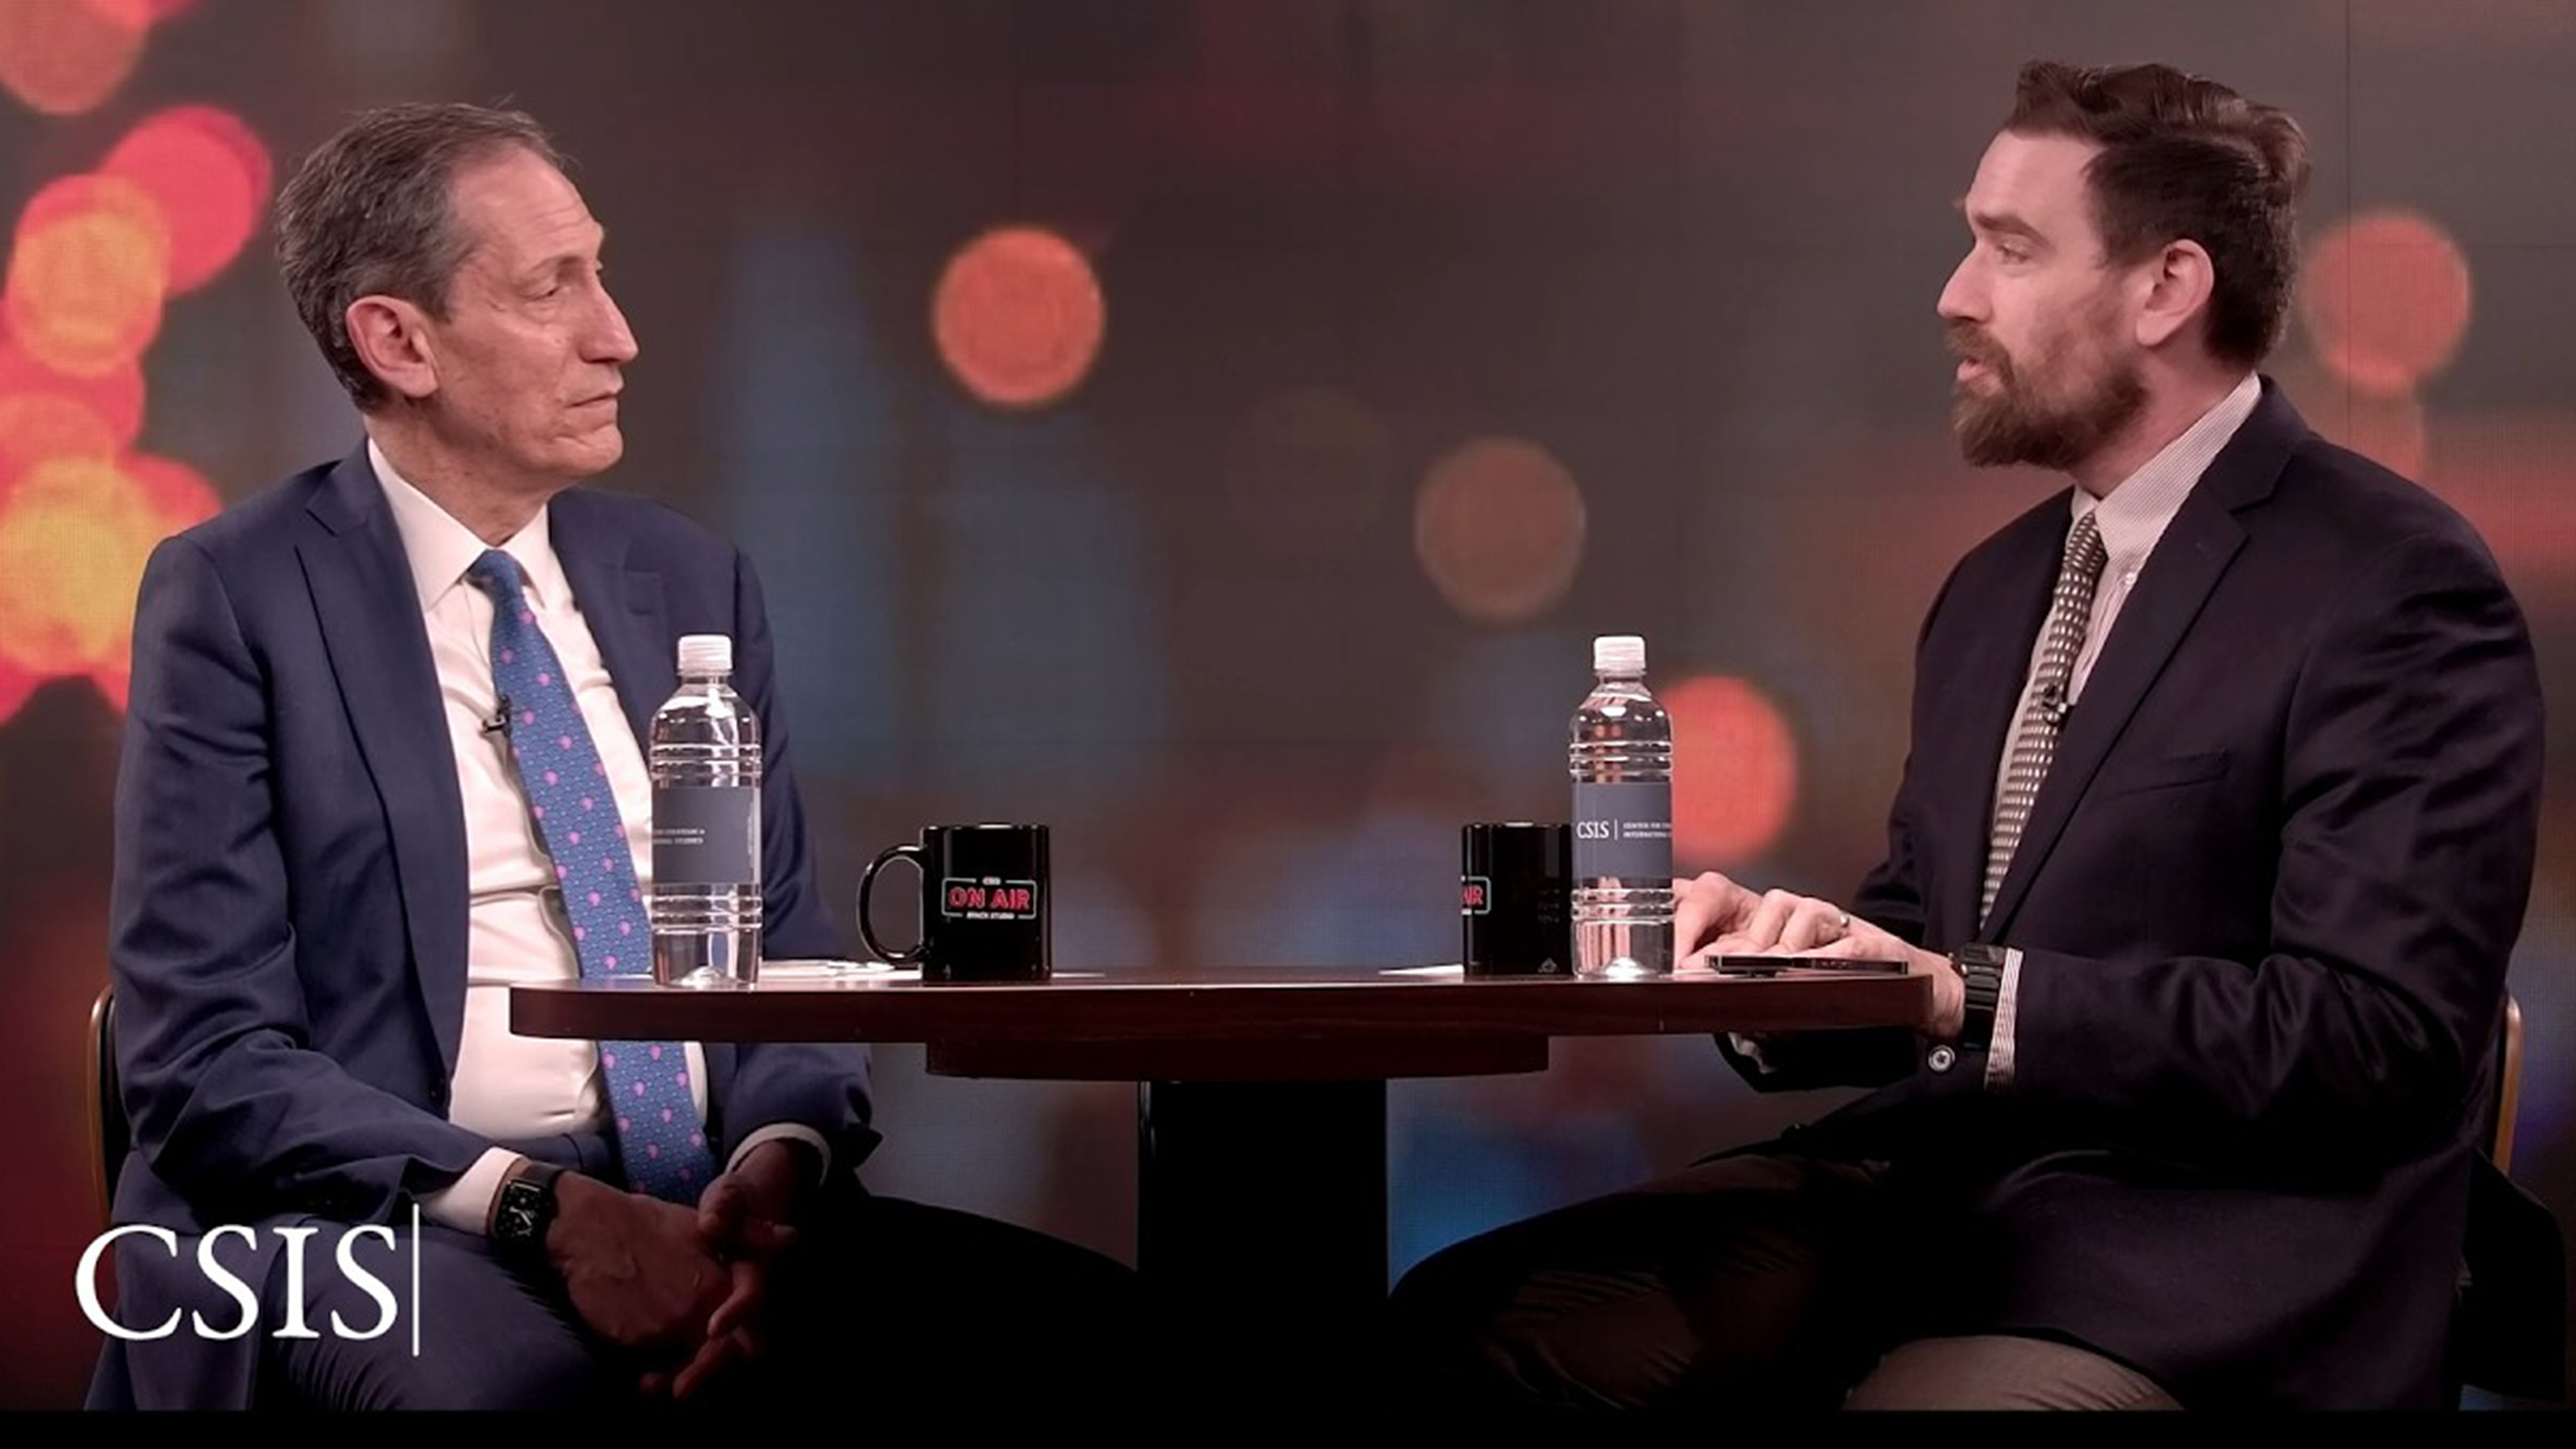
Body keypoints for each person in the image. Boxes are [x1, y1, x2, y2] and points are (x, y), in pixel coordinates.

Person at [1385, 60, 2548, 1412]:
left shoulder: (2393, 584)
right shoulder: (1992, 592)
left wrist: (1964, 996)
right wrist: (1785, 960)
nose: (1955, 293)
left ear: (2166, 289)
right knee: (1463, 1322)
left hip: (2203, 1264)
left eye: (2011, 249)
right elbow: (1922, 940)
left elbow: (2374, 1038)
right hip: (1931, 1210)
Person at [91, 102, 1135, 1412]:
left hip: (714, 1202)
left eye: (603, 272)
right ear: (399, 341)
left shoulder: (689, 579)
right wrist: (551, 1211)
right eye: (553, 288)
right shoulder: (238, 596)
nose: (617, 333)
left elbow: (786, 954)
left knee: (1105, 1340)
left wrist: (776, 1163)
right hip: (395, 1219)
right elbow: (203, 1059)